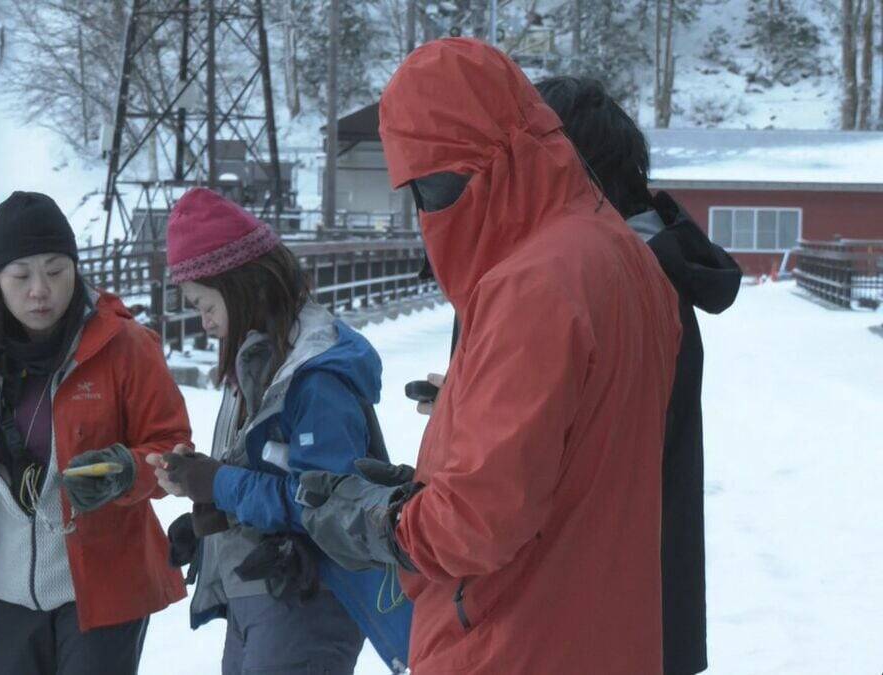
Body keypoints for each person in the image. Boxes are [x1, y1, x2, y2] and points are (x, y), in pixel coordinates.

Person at [294, 39, 683, 673]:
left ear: (467, 168)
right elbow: (572, 459)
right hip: (604, 632)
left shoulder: (533, 282)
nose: (426, 212)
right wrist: (424, 488)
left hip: (513, 642)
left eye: (425, 187)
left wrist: (377, 524)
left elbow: (478, 521)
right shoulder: (628, 260)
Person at [145, 187, 412, 674]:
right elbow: (266, 468)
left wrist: (218, 484)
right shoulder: (258, 358)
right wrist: (209, 513)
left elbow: (330, 503)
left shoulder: (314, 377)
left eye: (205, 304)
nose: (203, 322)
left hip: (308, 600)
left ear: (243, 286)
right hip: (262, 593)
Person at [0, 191, 191, 674]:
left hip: (105, 589)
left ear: (75, 268)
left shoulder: (125, 348)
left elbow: (174, 449)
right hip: (11, 594)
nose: (40, 290)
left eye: (55, 271)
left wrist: (127, 471)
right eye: (21, 275)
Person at [535, 75, 742, 675]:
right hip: (648, 598)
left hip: (585, 608)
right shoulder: (650, 267)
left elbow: (566, 445)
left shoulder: (591, 280)